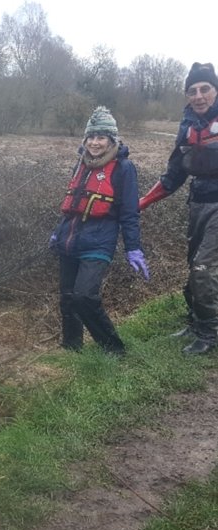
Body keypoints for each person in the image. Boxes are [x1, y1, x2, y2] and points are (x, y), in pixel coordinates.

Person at [49, 106, 149, 356]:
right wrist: (57, 232)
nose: (95, 143)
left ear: (112, 140)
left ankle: (113, 349)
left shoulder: (124, 169)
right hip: (69, 242)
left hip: (98, 245)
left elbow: (129, 213)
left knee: (84, 297)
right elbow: (72, 205)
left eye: (101, 137)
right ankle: (72, 349)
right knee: (68, 298)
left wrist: (133, 248)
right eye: (91, 137)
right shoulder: (81, 164)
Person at [138, 62, 218, 355]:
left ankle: (210, 334)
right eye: (192, 91)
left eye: (205, 89)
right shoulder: (187, 129)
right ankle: (196, 322)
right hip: (198, 203)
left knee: (203, 268)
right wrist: (140, 204)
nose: (198, 96)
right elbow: (174, 176)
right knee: (193, 264)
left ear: (215, 91)